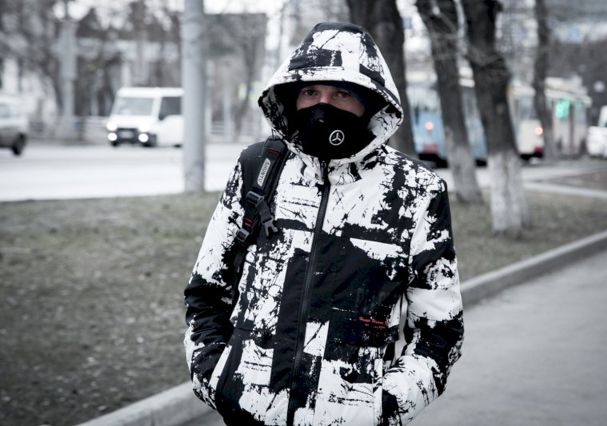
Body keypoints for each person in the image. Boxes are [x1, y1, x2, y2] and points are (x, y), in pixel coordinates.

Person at [184, 22, 464, 426]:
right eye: (310, 92)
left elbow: (440, 331)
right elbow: (206, 290)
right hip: (246, 415)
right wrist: (216, 378)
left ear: (370, 103)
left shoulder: (416, 191)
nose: (322, 105)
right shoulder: (258, 168)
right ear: (291, 96)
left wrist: (380, 409)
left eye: (341, 93)